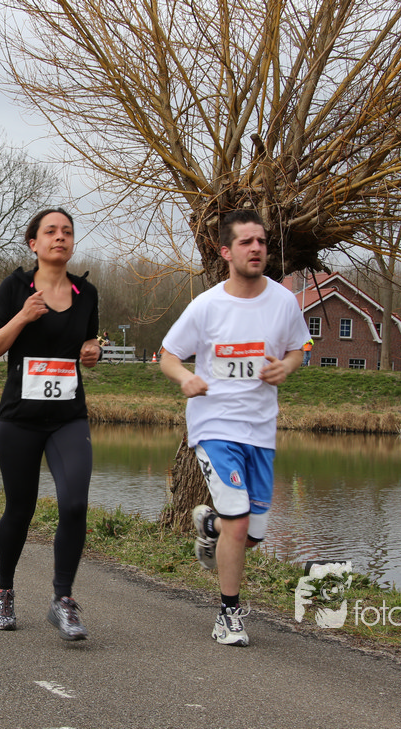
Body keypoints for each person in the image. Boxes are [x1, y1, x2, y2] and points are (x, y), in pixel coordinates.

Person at [158, 209, 310, 647]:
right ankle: (228, 615)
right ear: (226, 252)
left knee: (252, 535)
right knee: (239, 523)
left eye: (261, 241)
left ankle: (211, 528)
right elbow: (169, 354)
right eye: (246, 242)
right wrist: (185, 378)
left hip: (260, 430)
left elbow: (301, 347)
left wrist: (288, 367)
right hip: (214, 426)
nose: (256, 248)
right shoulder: (207, 306)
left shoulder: (283, 301)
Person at [0, 207, 101, 641]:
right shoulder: (15, 288)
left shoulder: (86, 293)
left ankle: (62, 600)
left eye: (67, 231)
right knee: (20, 509)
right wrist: (23, 317)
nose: (60, 237)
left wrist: (93, 351)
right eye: (50, 231)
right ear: (34, 243)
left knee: (75, 504)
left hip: (68, 417)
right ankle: (3, 590)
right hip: (20, 420)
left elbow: (89, 342)